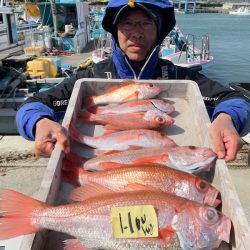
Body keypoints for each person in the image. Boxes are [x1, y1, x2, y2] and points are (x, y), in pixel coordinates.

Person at [16, 0, 250, 161]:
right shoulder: (91, 78)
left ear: (159, 31)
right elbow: (32, 106)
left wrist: (227, 117)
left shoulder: (180, 76)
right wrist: (39, 123)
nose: (136, 32)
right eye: (127, 23)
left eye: (146, 23)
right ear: (115, 31)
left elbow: (234, 99)